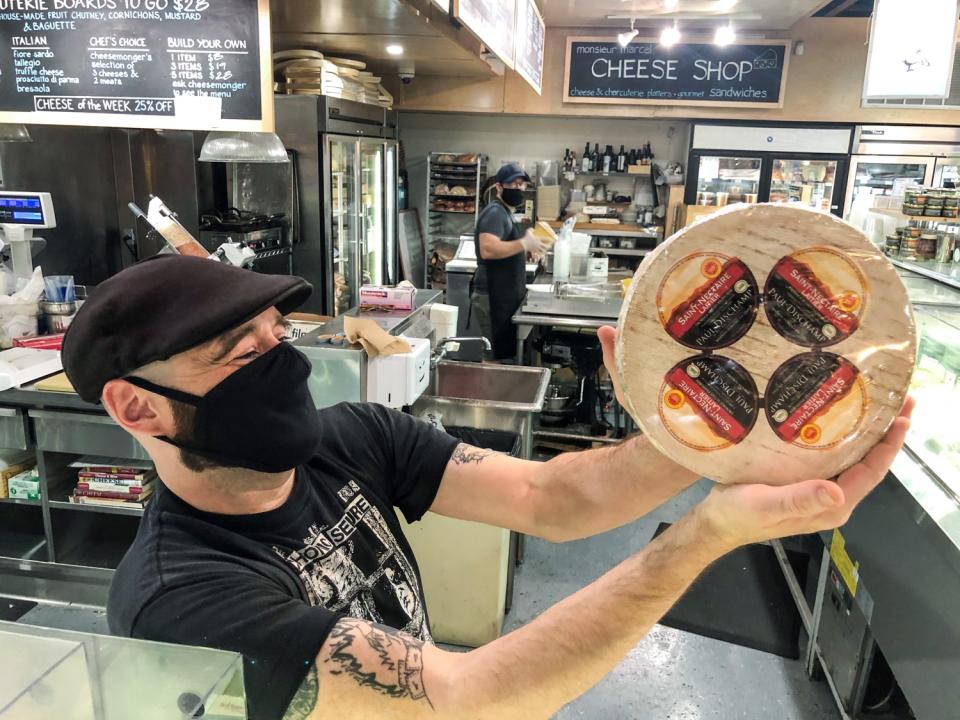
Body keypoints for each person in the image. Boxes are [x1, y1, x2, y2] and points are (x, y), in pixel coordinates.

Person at [61, 254, 914, 720]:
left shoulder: (347, 439)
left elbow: (554, 499)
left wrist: (723, 432)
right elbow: (469, 701)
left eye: (279, 332)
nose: (283, 361)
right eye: (241, 353)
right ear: (140, 407)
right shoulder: (179, 601)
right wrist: (707, 535)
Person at [471, 163, 550, 361]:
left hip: (502, 295)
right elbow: (488, 249)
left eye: (522, 185)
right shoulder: (495, 213)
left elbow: (504, 248)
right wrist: (524, 243)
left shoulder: (506, 212)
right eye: (513, 184)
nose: (519, 189)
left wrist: (523, 253)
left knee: (503, 355)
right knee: (495, 357)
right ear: (499, 187)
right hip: (492, 295)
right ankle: (490, 391)